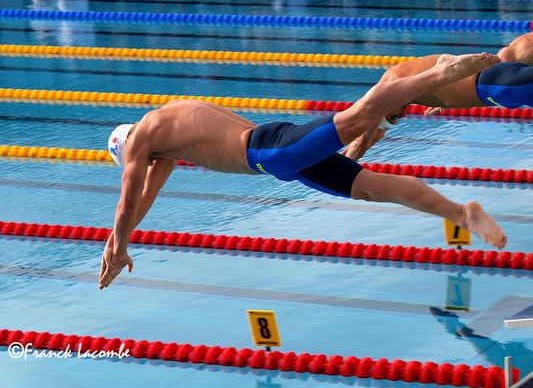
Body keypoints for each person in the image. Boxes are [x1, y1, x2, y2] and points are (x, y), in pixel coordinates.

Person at [99, 53, 506, 290]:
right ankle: (459, 212)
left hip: (271, 152)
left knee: (355, 118)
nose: (150, 165)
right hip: (278, 160)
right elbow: (144, 198)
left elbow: (127, 200)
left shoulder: (145, 138)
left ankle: (438, 74)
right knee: (369, 187)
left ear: (130, 147)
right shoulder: (165, 126)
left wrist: (117, 246)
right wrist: (119, 239)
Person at [342, 32, 533, 161]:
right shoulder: (411, 90)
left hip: (498, 84)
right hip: (501, 91)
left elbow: (362, 142)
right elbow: (374, 134)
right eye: (395, 119)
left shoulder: (389, 87)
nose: (400, 115)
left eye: (392, 116)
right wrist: (445, 100)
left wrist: (327, 167)